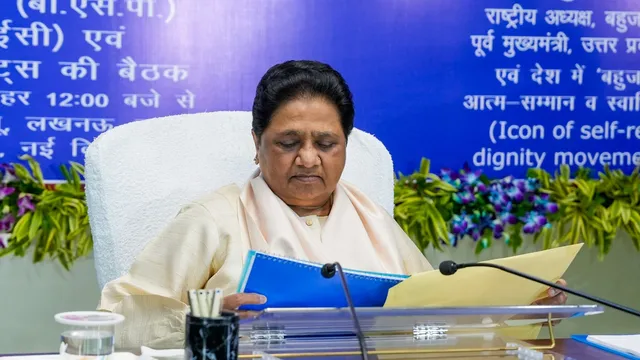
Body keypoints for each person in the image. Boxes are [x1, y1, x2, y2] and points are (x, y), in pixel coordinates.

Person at [98, 60, 567, 350]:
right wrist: (203, 322)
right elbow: (116, 320)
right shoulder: (212, 219)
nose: (307, 158)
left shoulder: (375, 222)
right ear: (257, 146)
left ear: (344, 147)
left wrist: (521, 310)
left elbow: (432, 324)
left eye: (325, 142)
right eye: (287, 142)